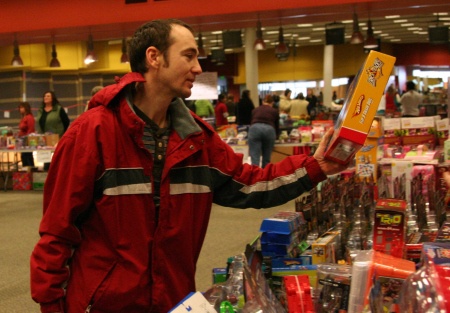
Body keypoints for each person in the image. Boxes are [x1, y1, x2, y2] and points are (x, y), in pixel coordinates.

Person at [30, 19, 348, 313]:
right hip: (104, 304)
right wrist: (52, 305)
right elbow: (56, 232)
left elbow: (251, 183)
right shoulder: (92, 133)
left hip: (174, 301)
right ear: (154, 57)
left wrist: (316, 166)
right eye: (189, 56)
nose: (197, 68)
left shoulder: (197, 139)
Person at [36, 90, 70, 170]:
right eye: (44, 96)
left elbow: (66, 121)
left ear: (52, 98)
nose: (45, 98)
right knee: (46, 161)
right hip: (44, 138)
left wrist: (61, 133)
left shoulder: (58, 109)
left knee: (56, 159)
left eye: (48, 96)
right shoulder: (41, 110)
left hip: (56, 138)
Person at [248, 94, 279, 168]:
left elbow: (251, 122)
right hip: (269, 130)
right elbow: (277, 126)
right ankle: (265, 177)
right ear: (272, 103)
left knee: (255, 159)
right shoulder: (274, 111)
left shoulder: (255, 109)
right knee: (266, 159)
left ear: (262, 102)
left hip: (254, 129)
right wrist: (277, 137)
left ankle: (255, 177)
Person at [17, 101, 35, 167]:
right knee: (24, 158)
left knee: (27, 158)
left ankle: (30, 173)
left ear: (26, 108)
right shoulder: (23, 118)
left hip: (27, 142)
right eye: (19, 108)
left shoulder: (29, 117)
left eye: (22, 107)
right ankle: (25, 175)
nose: (20, 109)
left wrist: (27, 140)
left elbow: (31, 130)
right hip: (22, 141)